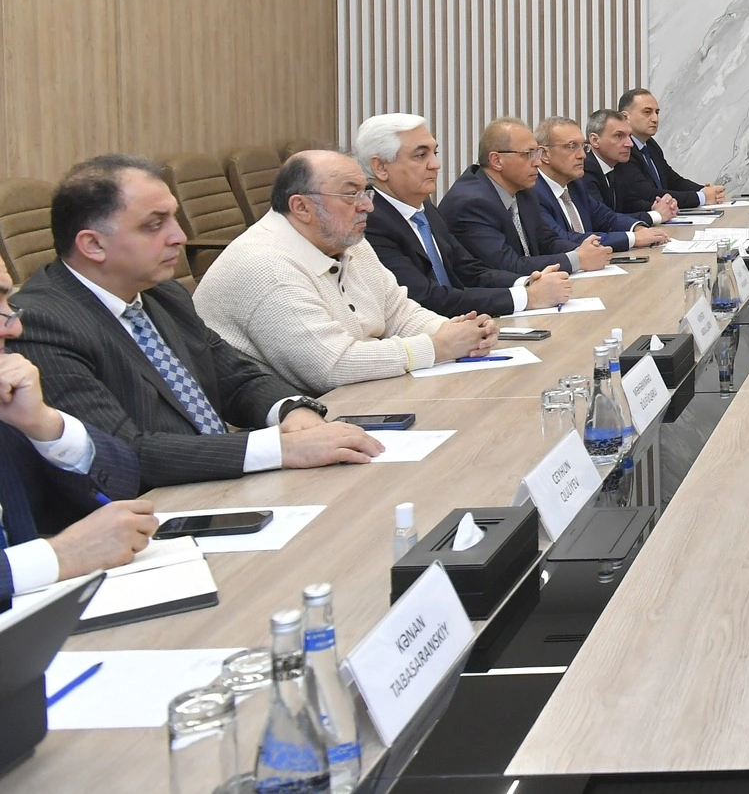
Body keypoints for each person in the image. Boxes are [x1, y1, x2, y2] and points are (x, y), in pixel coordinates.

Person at [12, 156, 383, 489]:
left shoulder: (162, 294)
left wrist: (291, 410)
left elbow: (236, 379)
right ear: (93, 245)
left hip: (214, 485)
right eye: (154, 225)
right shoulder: (41, 325)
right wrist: (281, 448)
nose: (179, 237)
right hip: (145, 509)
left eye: (174, 218)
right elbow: (123, 451)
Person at [194, 152, 495, 394]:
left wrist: (458, 332)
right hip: (283, 421)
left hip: (355, 397)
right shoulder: (266, 266)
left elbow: (398, 313)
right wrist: (437, 346)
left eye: (366, 193)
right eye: (351, 195)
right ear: (301, 207)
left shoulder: (348, 241)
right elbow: (331, 367)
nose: (367, 207)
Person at [0, 259, 154, 611]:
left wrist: (43, 423)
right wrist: (60, 556)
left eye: (8, 302)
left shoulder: (7, 393)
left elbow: (122, 485)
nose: (15, 327)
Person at [357, 113, 574, 317]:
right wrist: (527, 297)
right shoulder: (370, 221)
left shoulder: (424, 208)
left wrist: (527, 283)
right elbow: (425, 298)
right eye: (421, 155)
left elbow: (470, 271)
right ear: (381, 167)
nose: (435, 165)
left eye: (434, 153)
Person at [442, 120, 613, 277]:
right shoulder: (472, 203)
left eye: (536, 152)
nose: (537, 162)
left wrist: (585, 250)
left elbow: (547, 240)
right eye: (528, 154)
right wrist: (577, 260)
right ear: (497, 160)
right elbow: (508, 265)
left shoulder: (524, 191)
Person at [531, 116, 671, 250]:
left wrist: (637, 228)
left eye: (583, 146)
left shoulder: (575, 185)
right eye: (572, 146)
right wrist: (633, 238)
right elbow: (563, 240)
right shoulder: (533, 193)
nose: (582, 155)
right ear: (544, 154)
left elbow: (607, 218)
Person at [613, 90, 728, 214]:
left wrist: (705, 190)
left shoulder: (650, 145)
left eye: (657, 112)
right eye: (647, 112)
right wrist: (701, 197)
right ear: (625, 117)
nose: (655, 119)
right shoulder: (624, 150)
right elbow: (647, 194)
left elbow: (674, 181)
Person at [582, 108, 683, 221]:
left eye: (629, 136)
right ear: (595, 140)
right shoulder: (585, 171)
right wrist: (656, 215)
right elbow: (603, 219)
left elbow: (630, 204)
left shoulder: (619, 166)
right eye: (619, 136)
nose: (629, 144)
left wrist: (657, 207)